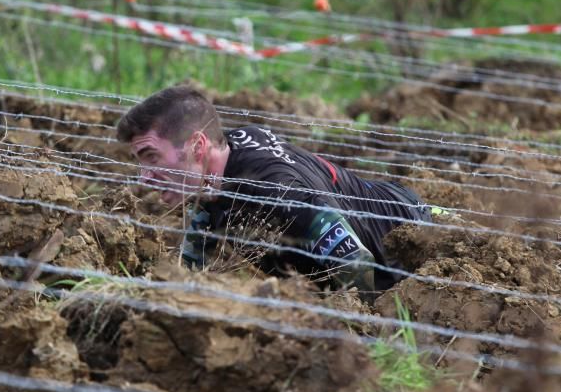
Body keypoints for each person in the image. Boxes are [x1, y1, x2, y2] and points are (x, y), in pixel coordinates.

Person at [116, 85, 432, 300]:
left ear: (198, 146)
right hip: (385, 198)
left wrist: (357, 328)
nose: (144, 179)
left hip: (411, 226)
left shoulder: (270, 191)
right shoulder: (222, 163)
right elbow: (207, 216)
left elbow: (354, 259)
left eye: (152, 157)